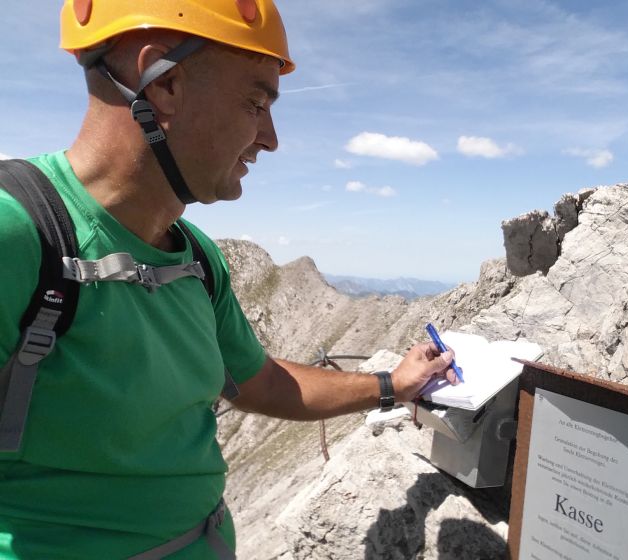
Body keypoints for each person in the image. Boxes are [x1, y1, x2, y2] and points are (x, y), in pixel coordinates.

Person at [0, 1, 458, 558]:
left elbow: (259, 382)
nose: (271, 138)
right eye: (256, 101)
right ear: (163, 82)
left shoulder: (195, 257)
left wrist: (391, 385)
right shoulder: (16, 233)